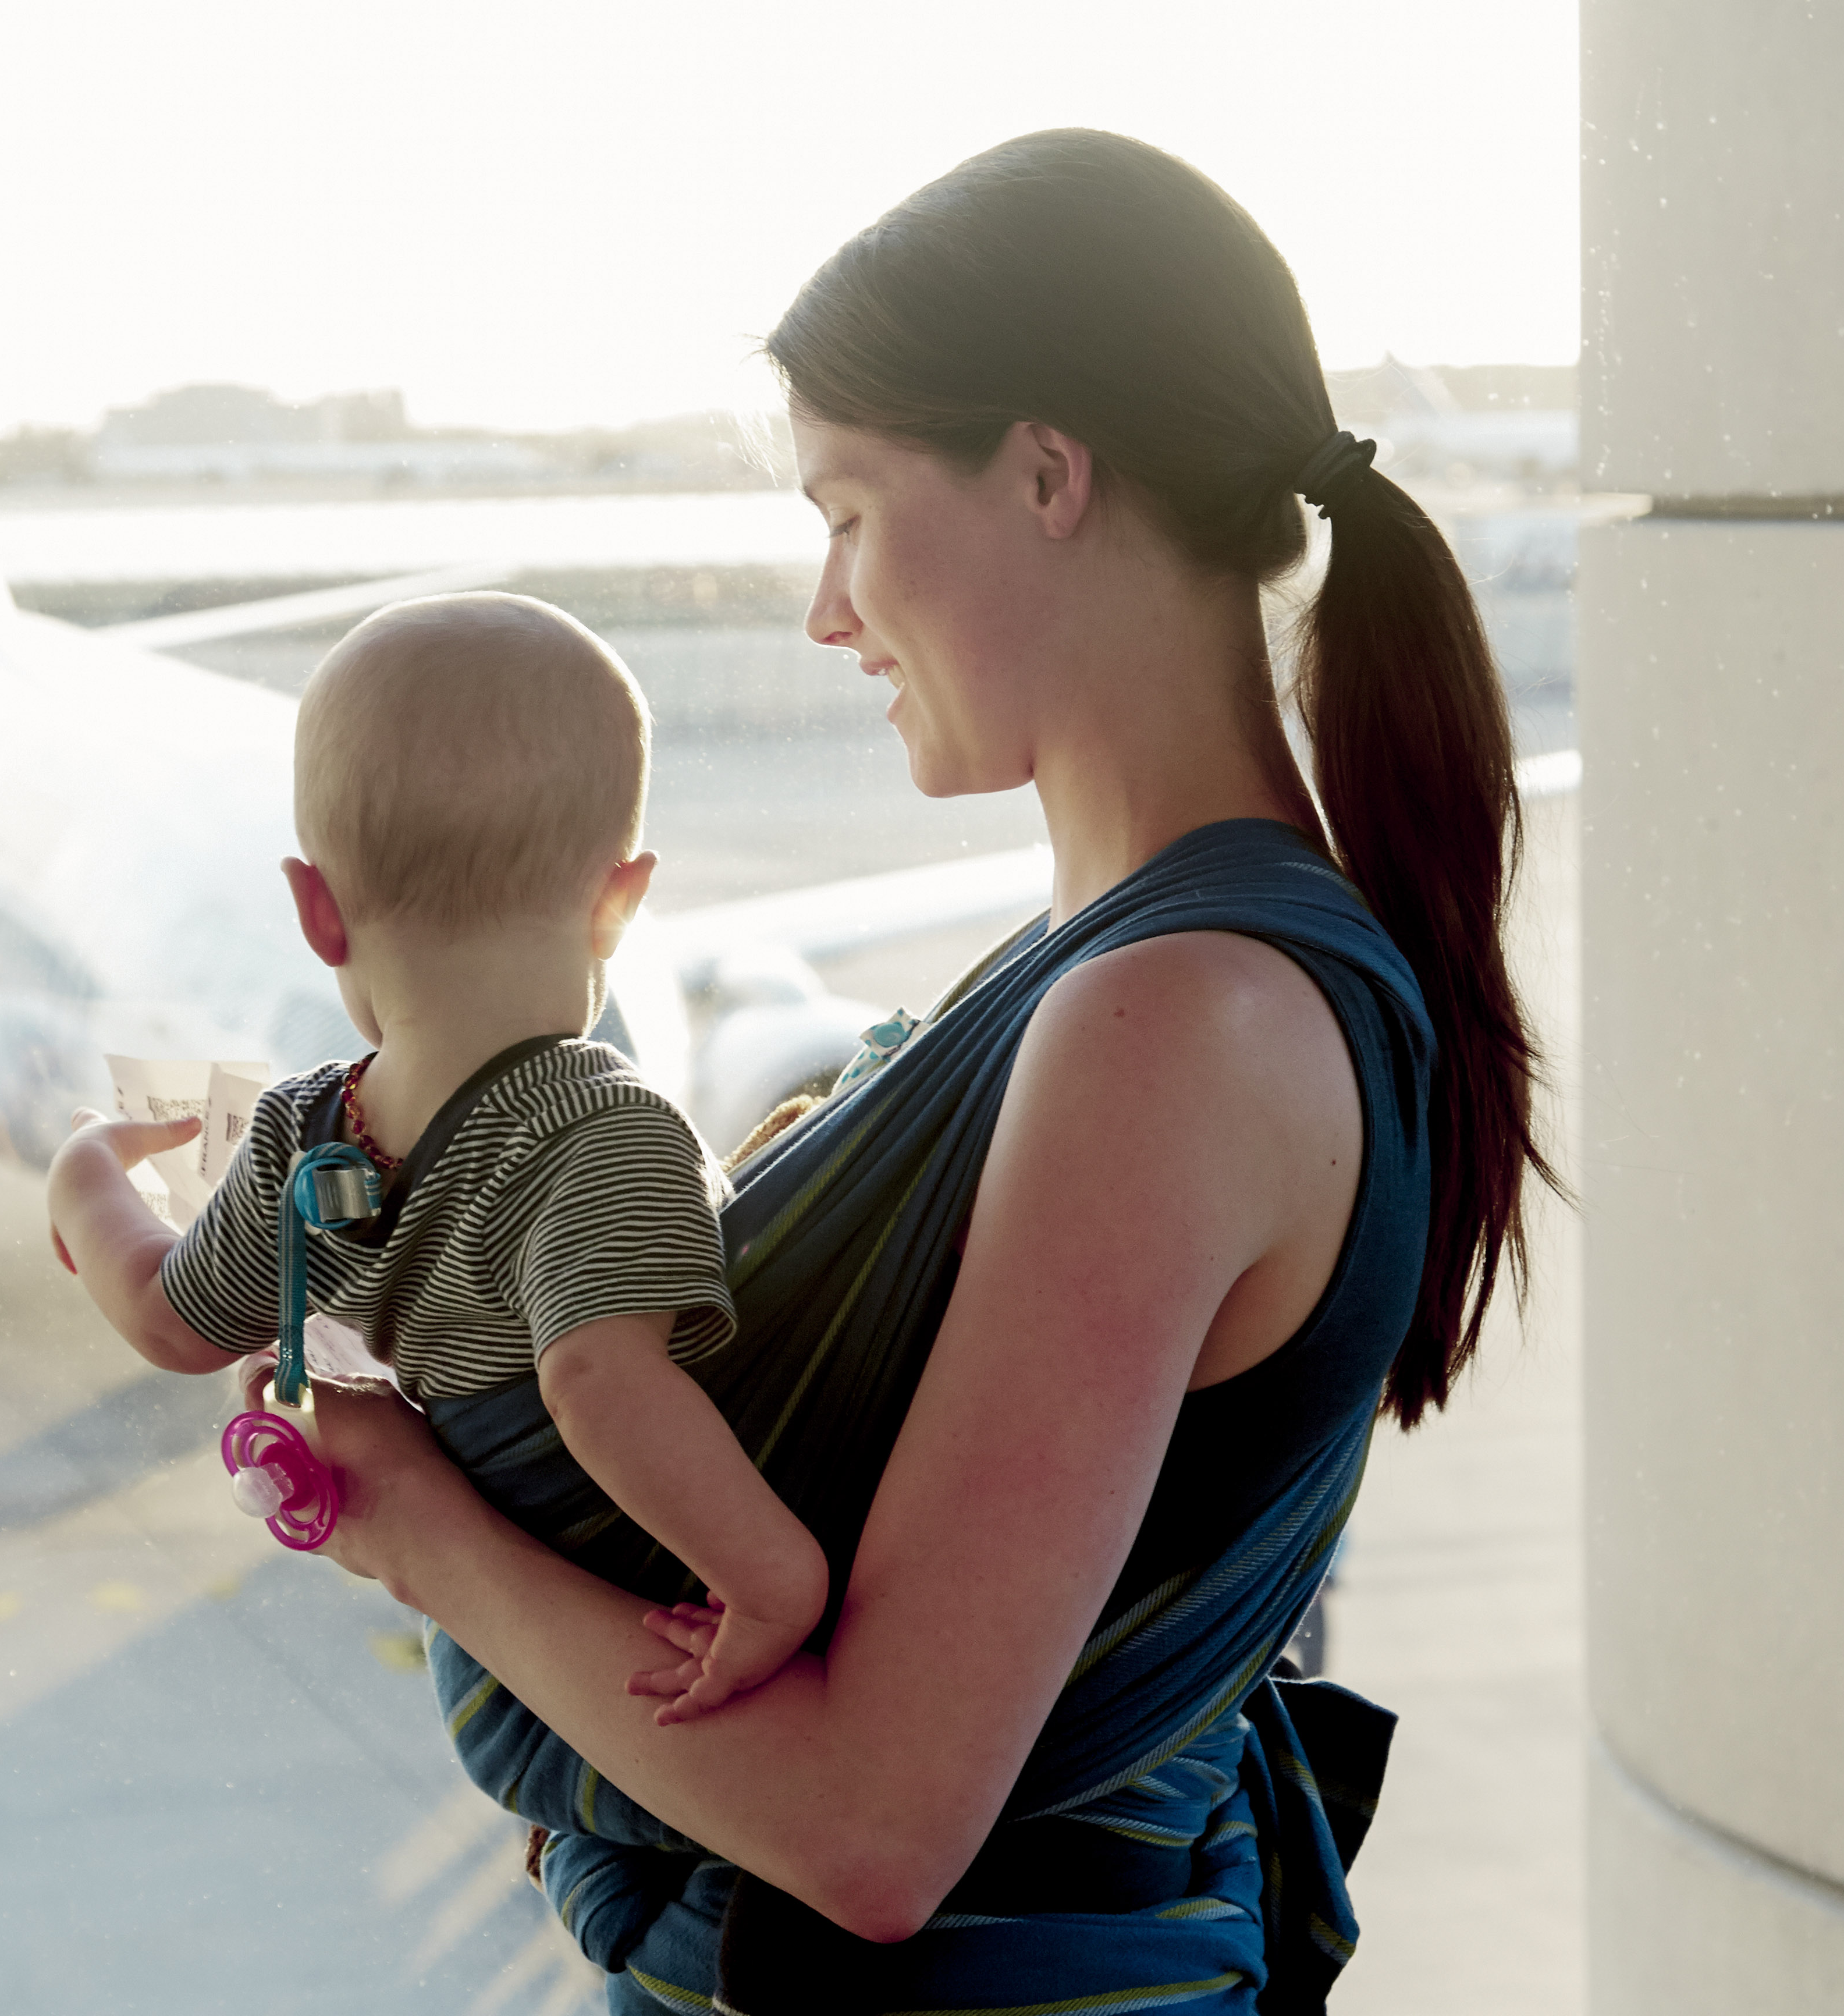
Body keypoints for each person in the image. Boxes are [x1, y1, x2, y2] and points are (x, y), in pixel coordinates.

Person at [293, 129, 1554, 2014]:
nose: (827, 608)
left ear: (1045, 471)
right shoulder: (1138, 964)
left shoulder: (1171, 1022)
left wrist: (410, 1527)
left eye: (851, 511)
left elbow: (875, 1828)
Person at [45, 591, 830, 1720]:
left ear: (318, 913)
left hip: (497, 1669)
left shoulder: (296, 1133)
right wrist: (771, 1580)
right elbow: (596, 1376)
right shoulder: (610, 1130)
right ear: (620, 901)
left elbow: (173, 1321)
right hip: (616, 1630)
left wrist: (86, 1184)